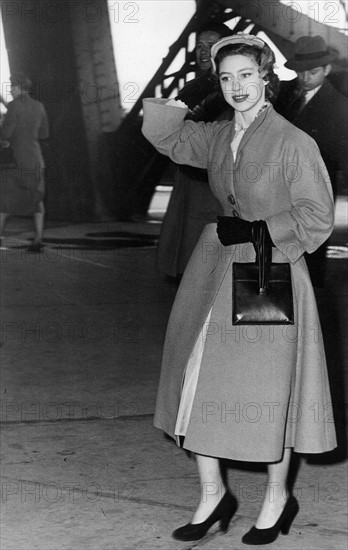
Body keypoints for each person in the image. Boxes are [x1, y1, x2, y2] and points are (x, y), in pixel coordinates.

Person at [142, 34, 337, 545]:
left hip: (267, 272)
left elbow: (316, 216)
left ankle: (277, 498)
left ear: (266, 76)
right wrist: (193, 89)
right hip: (214, 267)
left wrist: (257, 231)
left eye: (246, 75)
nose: (236, 87)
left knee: (270, 392)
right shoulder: (216, 135)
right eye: (225, 77)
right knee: (197, 377)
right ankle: (213, 495)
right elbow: (166, 134)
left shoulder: (294, 141)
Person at [157, 22, 234, 280]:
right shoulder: (193, 86)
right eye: (200, 45)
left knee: (202, 253)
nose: (203, 51)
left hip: (209, 183)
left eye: (210, 46)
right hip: (187, 178)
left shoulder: (231, 87)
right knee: (185, 254)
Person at [274, 35, 348, 286]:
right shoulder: (283, 96)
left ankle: (308, 315)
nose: (305, 78)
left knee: (309, 263)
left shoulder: (340, 106)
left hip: (314, 197)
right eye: (301, 72)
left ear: (327, 69)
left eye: (313, 72)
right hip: (277, 192)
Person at [0, 73, 49, 252]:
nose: (11, 90)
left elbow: (5, 134)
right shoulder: (39, 106)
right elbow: (44, 134)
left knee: (4, 200)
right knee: (37, 201)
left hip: (17, 161)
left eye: (12, 87)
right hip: (36, 160)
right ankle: (38, 240)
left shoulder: (13, 106)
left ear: (19, 87)